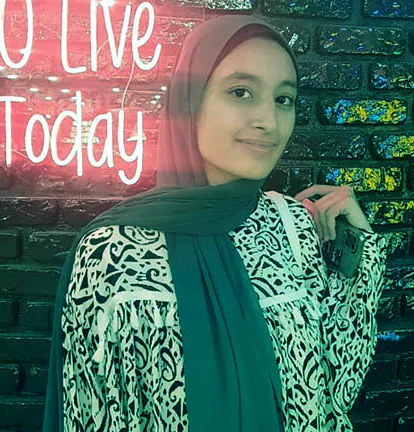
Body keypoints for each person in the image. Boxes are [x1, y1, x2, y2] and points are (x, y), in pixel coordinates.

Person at [42, 14, 388, 432]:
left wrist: (358, 246)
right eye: (241, 92)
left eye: (284, 99)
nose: (269, 121)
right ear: (191, 102)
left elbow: (335, 390)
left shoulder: (293, 227)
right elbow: (91, 412)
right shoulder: (113, 250)